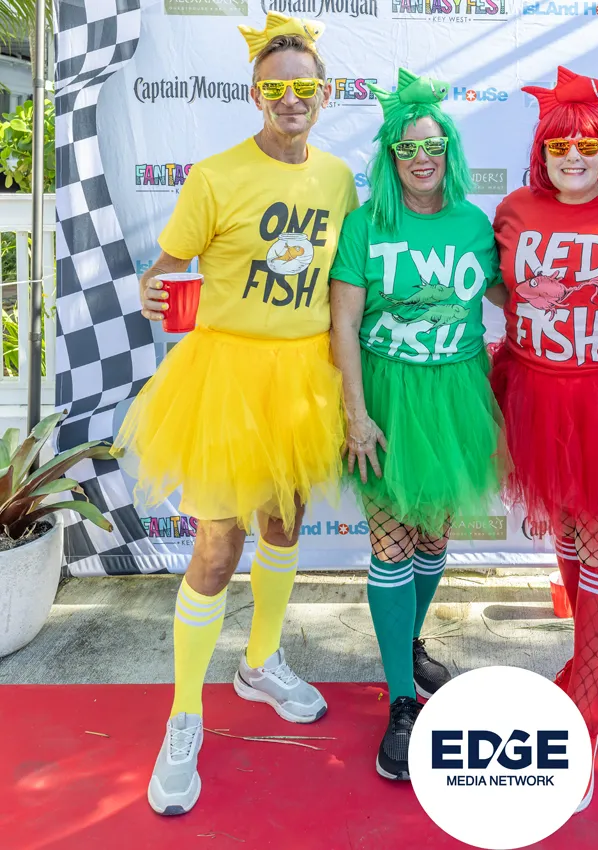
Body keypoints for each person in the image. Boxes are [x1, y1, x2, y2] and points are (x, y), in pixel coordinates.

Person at [114, 14, 358, 815]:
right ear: (256, 95)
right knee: (218, 549)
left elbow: (342, 283)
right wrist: (153, 292)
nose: (291, 98)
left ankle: (260, 662)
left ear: (324, 94)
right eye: (275, 87)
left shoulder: (337, 179)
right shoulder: (215, 177)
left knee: (283, 525)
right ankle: (185, 715)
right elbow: (166, 271)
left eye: (304, 86)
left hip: (303, 379)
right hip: (226, 377)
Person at [490, 66, 598, 811]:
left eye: (586, 146)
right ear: (541, 152)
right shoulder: (513, 210)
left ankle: (586, 707)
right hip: (535, 392)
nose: (572, 157)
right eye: (558, 146)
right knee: (566, 524)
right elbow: (495, 285)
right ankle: (581, 671)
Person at [329, 68, 505, 782]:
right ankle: (402, 700)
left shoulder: (473, 223)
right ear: (390, 156)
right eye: (407, 148)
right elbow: (343, 323)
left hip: (456, 395)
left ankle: (407, 643)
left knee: (433, 537)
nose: (421, 158)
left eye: (433, 145)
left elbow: (511, 291)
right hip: (389, 397)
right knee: (392, 544)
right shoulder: (366, 223)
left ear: (450, 150)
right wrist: (356, 414)